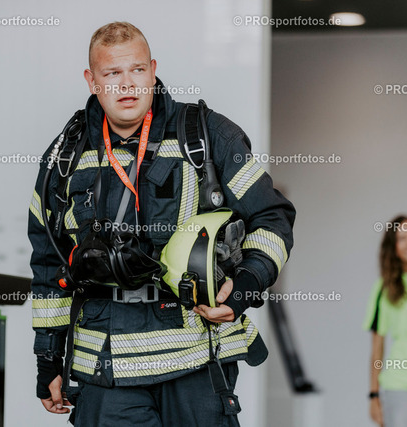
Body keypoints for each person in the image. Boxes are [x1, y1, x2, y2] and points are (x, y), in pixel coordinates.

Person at [28, 21, 295, 426]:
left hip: (195, 357)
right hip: (105, 366)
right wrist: (48, 357)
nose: (127, 84)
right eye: (112, 73)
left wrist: (242, 288)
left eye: (137, 70)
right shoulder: (65, 154)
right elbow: (50, 261)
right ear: (91, 81)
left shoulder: (208, 136)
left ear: (153, 71)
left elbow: (272, 218)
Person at [364, 215, 407, 427]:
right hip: (399, 382)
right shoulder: (384, 289)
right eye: (402, 238)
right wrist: (374, 395)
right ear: (393, 247)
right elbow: (377, 347)